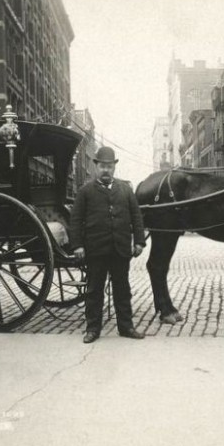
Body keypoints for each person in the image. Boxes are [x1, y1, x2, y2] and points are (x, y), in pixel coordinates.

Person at [70, 146, 147, 343]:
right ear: (96, 167)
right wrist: (78, 245)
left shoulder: (125, 190)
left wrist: (138, 241)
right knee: (94, 290)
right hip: (96, 250)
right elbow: (76, 220)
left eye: (110, 166)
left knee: (123, 289)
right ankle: (93, 329)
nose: (106, 170)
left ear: (114, 167)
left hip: (120, 249)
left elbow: (136, 217)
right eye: (102, 166)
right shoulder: (85, 191)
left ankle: (126, 327)